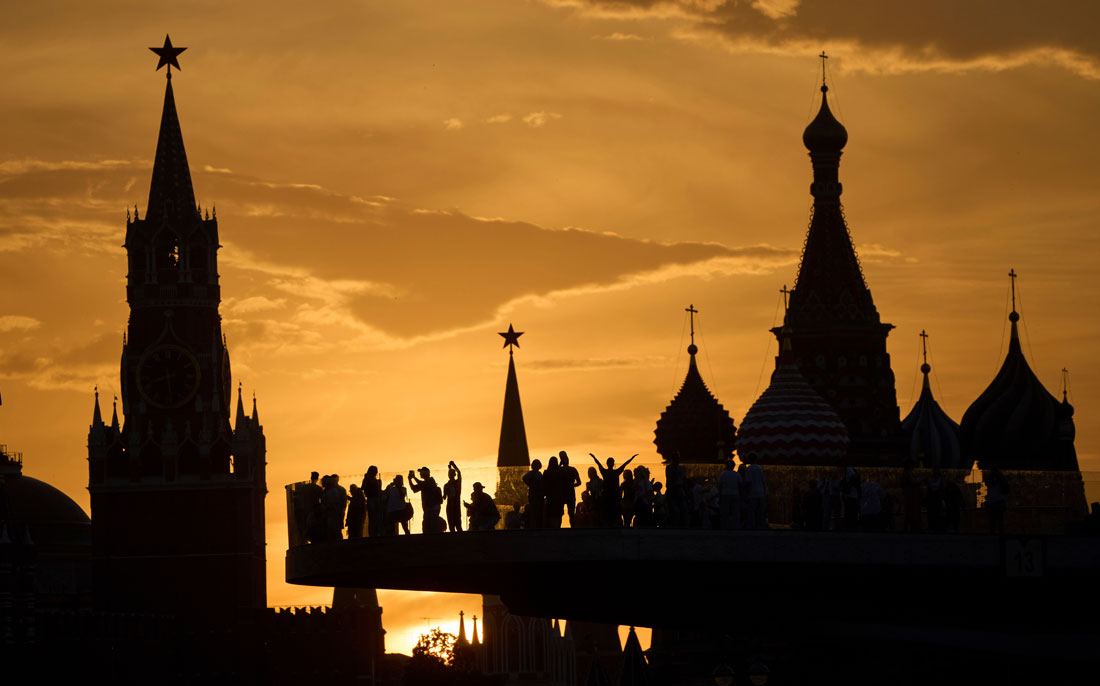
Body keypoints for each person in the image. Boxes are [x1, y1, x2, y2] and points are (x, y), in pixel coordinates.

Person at [590, 453, 636, 527]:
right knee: (613, 514)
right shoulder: (615, 472)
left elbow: (598, 464)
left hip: (609, 496)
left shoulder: (605, 472)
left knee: (609, 514)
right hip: (613, 496)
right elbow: (625, 464)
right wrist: (631, 458)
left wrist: (594, 457)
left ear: (607, 464)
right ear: (613, 464)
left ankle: (610, 525)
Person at [409, 467, 444, 534]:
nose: (420, 474)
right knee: (427, 526)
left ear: (426, 473)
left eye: (421, 472)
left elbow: (422, 484)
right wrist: (410, 480)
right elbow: (414, 489)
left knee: (433, 526)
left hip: (433, 508)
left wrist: (414, 477)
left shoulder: (431, 481)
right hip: (427, 508)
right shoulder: (424, 483)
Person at [295, 471, 323, 544]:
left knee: (306, 528)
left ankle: (304, 542)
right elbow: (322, 500)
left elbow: (297, 495)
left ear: (311, 477)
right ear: (317, 478)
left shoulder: (305, 487)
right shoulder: (318, 489)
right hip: (314, 511)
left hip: (306, 510)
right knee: (313, 528)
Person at [743, 454, 768, 529]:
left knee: (752, 511)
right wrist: (765, 492)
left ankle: (752, 526)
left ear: (749, 459)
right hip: (761, 492)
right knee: (760, 511)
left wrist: (745, 492)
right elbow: (763, 481)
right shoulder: (760, 468)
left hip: (752, 493)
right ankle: (760, 525)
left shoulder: (748, 469)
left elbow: (748, 482)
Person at [664, 453, 688, 528]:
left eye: (678, 458)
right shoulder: (669, 468)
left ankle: (682, 523)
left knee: (683, 508)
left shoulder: (681, 468)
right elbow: (670, 478)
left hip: (680, 489)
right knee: (674, 508)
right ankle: (674, 523)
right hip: (672, 489)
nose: (678, 460)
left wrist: (686, 490)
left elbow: (684, 479)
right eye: (676, 458)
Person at [322, 474, 349, 541]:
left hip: (335, 513)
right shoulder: (326, 491)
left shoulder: (338, 490)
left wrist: (341, 511)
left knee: (336, 530)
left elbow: (343, 502)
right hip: (331, 513)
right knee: (332, 530)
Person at [717, 460, 742, 530]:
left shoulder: (722, 474)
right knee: (735, 511)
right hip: (735, 494)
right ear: (734, 466)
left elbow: (720, 486)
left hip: (725, 494)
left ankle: (725, 526)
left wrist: (719, 496)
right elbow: (740, 485)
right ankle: (735, 526)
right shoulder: (737, 474)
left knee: (725, 512)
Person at [559, 451, 582, 527]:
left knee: (560, 514)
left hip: (562, 493)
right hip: (570, 493)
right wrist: (572, 485)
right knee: (571, 513)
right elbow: (579, 482)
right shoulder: (573, 469)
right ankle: (573, 528)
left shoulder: (559, 470)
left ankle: (558, 529)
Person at [983, 468, 1009, 535]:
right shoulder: (1001, 481)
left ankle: (993, 535)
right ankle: (1000, 535)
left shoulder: (990, 482)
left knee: (992, 522)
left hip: (992, 503)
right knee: (1000, 522)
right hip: (999, 503)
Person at [522, 459, 546, 528]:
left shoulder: (538, 473)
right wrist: (531, 485)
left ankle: (536, 525)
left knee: (537, 511)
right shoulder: (532, 473)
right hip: (535, 495)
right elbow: (524, 478)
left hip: (537, 495)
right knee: (535, 511)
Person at [900, 461, 921, 533]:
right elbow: (913, 481)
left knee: (908, 510)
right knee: (910, 510)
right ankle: (911, 526)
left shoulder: (905, 473)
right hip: (910, 494)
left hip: (909, 494)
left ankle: (908, 525)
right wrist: (920, 479)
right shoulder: (907, 473)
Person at [362, 466, 383, 538]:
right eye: (375, 471)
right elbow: (363, 488)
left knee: (376, 517)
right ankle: (372, 534)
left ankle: (375, 533)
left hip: (375, 499)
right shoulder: (367, 479)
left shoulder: (373, 479)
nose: (376, 472)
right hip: (371, 499)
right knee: (372, 518)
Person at [544, 456, 564, 528]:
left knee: (551, 514)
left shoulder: (546, 472)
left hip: (550, 496)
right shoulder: (560, 472)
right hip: (559, 496)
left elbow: (544, 484)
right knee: (558, 514)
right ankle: (558, 527)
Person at [925, 468, 947, 533]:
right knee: (932, 514)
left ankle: (937, 527)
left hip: (937, 499)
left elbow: (943, 489)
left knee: (937, 514)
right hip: (932, 500)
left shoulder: (940, 481)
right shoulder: (932, 480)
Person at [444, 461, 463, 532]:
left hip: (456, 505)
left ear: (454, 475)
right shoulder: (446, 485)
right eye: (449, 474)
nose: (450, 475)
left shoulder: (457, 483)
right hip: (450, 506)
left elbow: (459, 473)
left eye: (452, 473)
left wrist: (453, 465)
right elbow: (444, 497)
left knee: (458, 525)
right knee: (451, 526)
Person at [842, 464, 862, 531]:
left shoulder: (849, 470)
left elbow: (851, 480)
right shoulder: (851, 470)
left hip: (851, 497)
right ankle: (852, 526)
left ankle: (850, 526)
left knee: (850, 513)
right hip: (853, 496)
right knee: (853, 513)